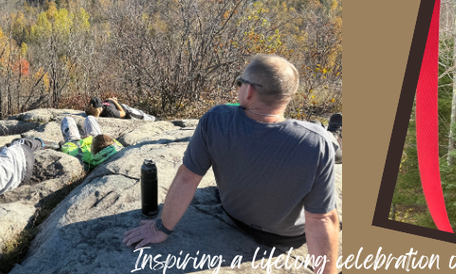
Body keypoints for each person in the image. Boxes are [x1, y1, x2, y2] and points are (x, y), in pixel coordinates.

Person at [122, 54, 339, 274]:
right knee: (327, 143)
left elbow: (187, 178)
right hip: (288, 235)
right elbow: (321, 218)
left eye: (239, 83)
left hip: (235, 216)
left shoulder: (216, 119)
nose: (238, 88)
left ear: (249, 91)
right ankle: (336, 136)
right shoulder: (315, 142)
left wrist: (161, 228)